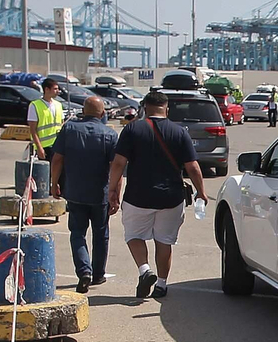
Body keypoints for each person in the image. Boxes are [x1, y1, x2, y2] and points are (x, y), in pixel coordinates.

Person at [106, 91, 208, 301]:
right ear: (166, 109)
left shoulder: (132, 129)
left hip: (138, 196)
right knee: (164, 241)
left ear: (145, 108)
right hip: (171, 198)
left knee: (134, 236)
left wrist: (112, 189)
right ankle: (161, 285)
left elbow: (118, 163)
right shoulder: (179, 132)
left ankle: (145, 270)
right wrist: (201, 191)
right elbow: (193, 166)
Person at [50, 95, 118, 293]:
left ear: (83, 111)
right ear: (102, 113)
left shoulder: (69, 129)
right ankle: (98, 274)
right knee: (101, 234)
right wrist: (115, 193)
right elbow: (116, 167)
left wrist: (54, 183)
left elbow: (57, 159)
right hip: (100, 194)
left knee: (77, 233)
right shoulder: (110, 134)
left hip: (75, 192)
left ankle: (83, 271)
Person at [26, 78, 65, 162]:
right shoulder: (35, 105)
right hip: (44, 147)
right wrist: (39, 148)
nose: (58, 91)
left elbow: (61, 124)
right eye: (55, 89)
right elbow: (33, 130)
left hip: (58, 146)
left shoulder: (58, 105)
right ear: (46, 89)